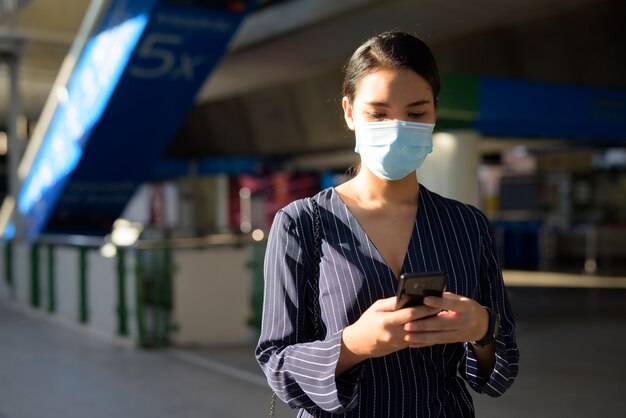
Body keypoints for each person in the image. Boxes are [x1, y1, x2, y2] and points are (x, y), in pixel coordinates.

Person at [256, 31, 519, 417]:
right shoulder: (302, 223)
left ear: (434, 114)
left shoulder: (467, 225)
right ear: (349, 112)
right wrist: (354, 343)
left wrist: (482, 327)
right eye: (378, 113)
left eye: (415, 114)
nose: (397, 128)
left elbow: (501, 369)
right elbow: (276, 362)